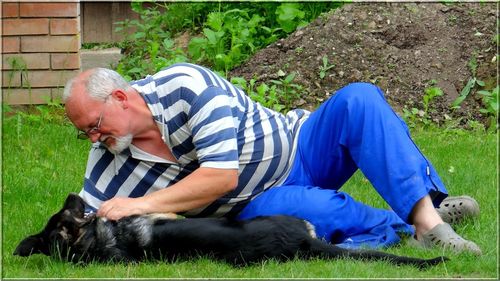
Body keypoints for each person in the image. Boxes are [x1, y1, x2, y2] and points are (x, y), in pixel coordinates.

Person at [63, 63, 481, 255]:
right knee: (313, 213)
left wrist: (140, 205)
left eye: (95, 125)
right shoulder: (107, 157)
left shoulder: (184, 86)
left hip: (301, 143)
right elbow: (83, 219)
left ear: (120, 97)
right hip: (259, 200)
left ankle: (430, 217)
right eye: (84, 132)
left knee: (360, 99)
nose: (93, 138)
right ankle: (405, 225)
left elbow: (220, 177)